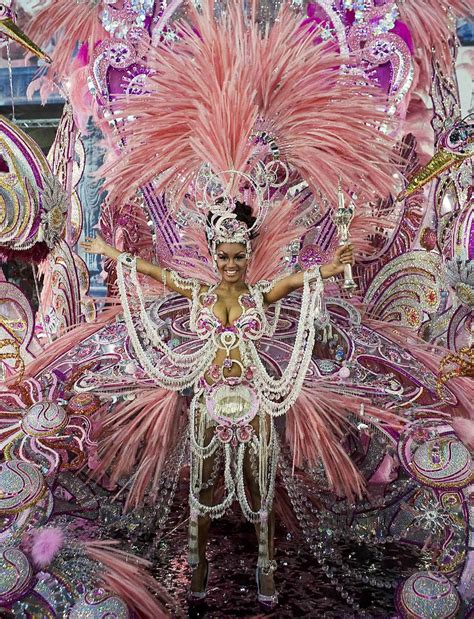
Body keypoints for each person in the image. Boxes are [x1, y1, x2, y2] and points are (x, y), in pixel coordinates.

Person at [81, 200, 354, 607]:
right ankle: (199, 562)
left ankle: (265, 564)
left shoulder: (261, 295)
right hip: (208, 401)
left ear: (249, 255)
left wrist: (331, 269)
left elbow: (297, 280)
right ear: (213, 255)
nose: (231, 263)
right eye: (224, 256)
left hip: (253, 398)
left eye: (239, 256)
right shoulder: (198, 293)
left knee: (258, 484)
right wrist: (109, 253)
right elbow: (155, 272)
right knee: (203, 484)